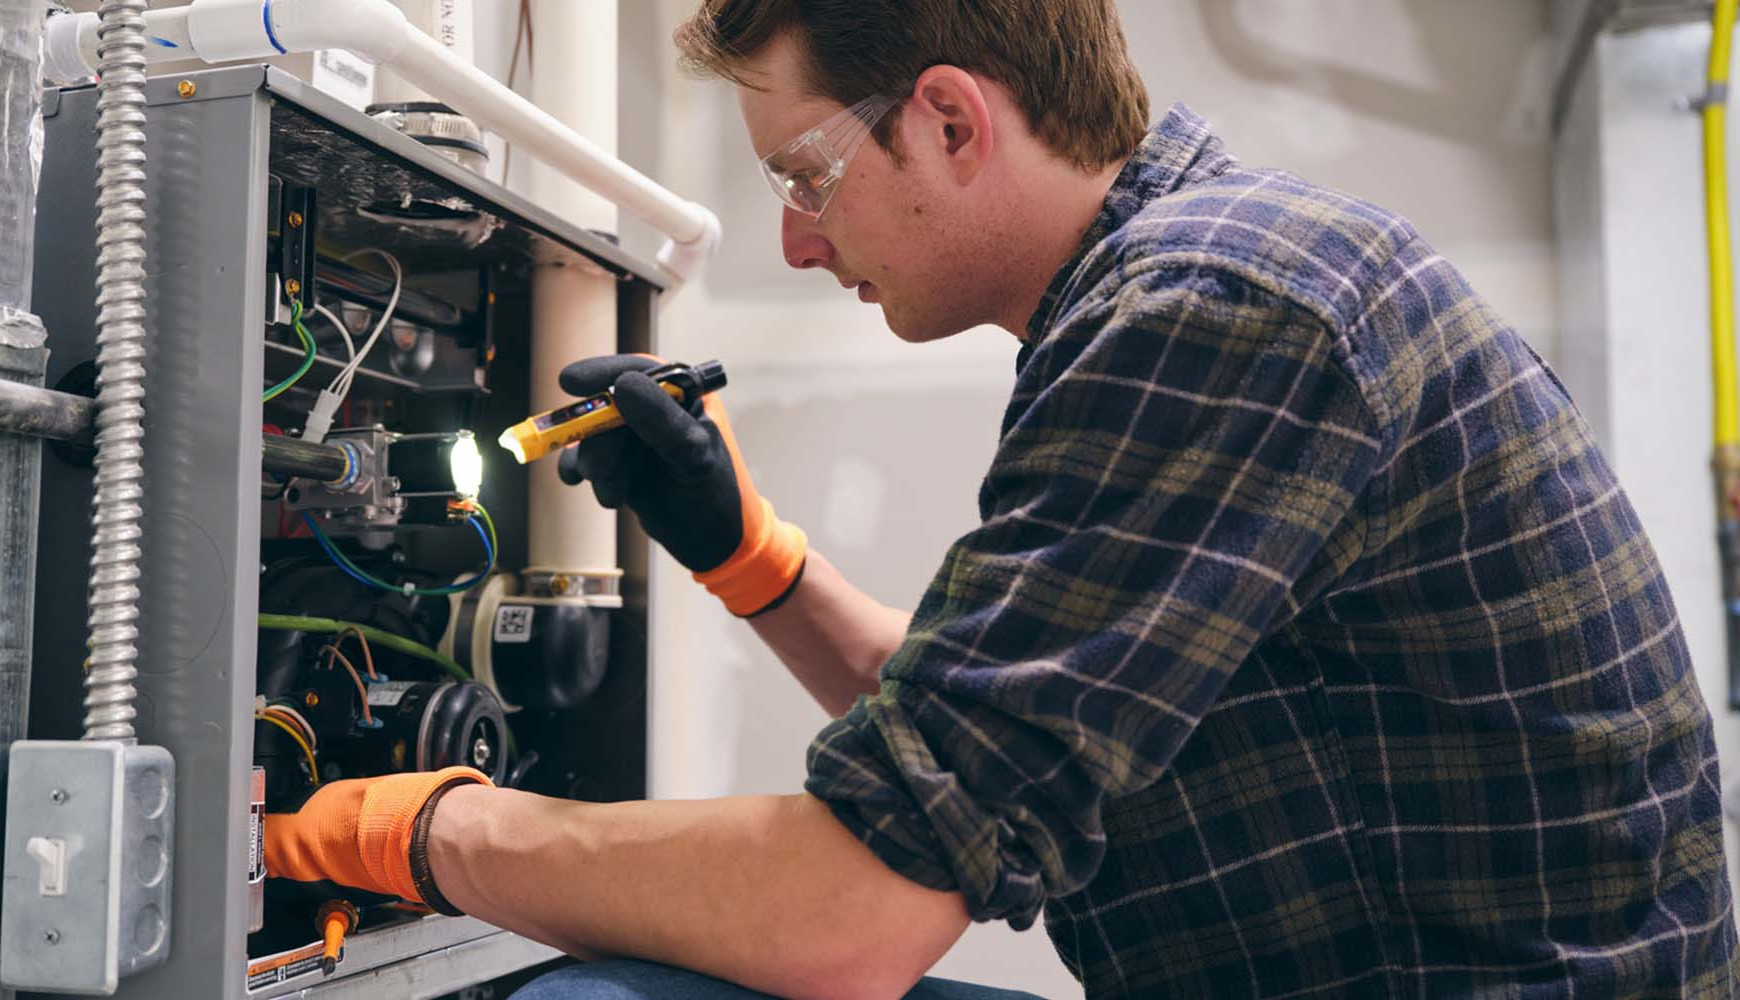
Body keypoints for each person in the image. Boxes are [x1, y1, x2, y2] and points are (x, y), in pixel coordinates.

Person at [265, 1, 1740, 996]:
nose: (793, 240)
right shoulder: (1208, 276)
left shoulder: (1214, 310)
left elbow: (851, 915)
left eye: (807, 174)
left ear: (955, 124)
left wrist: (430, 829)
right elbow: (991, 744)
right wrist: (750, 557)